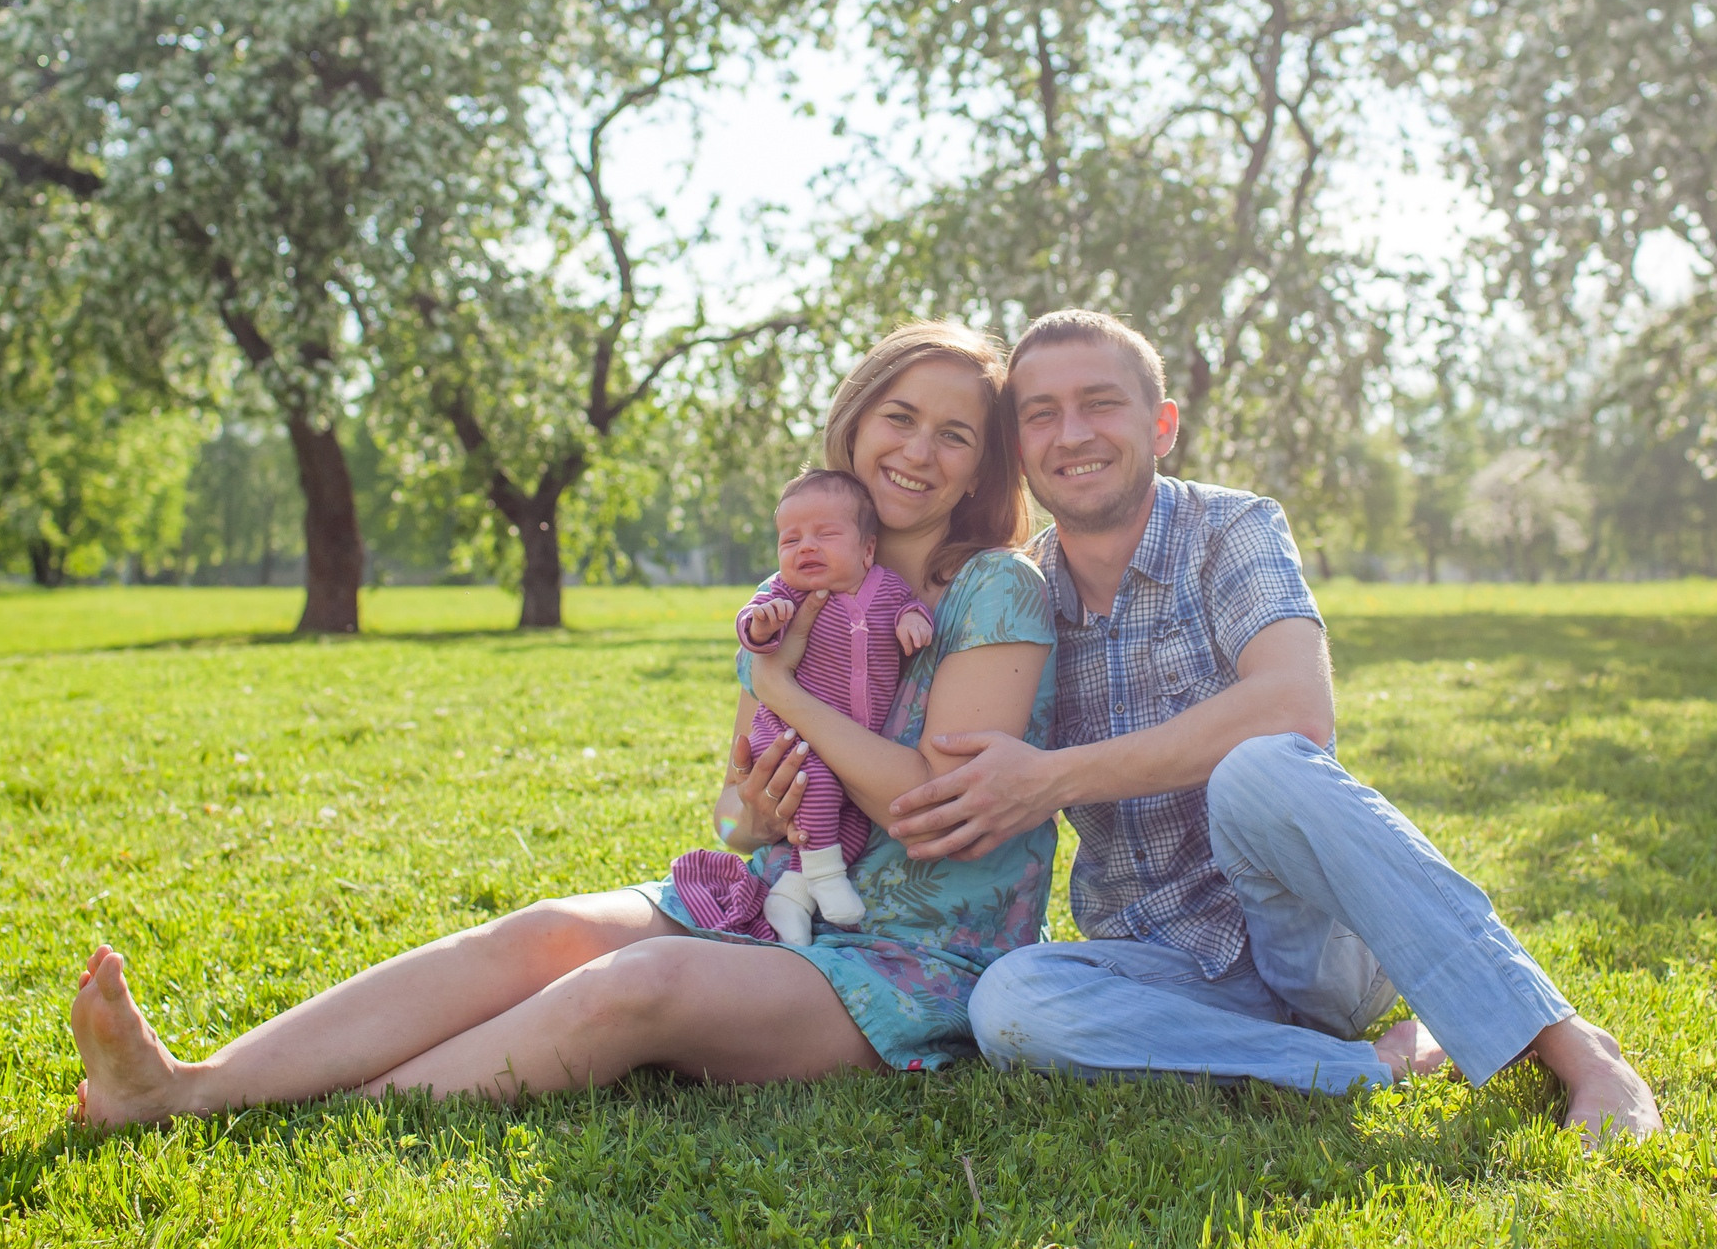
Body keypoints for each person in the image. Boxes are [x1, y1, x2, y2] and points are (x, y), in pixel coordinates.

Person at [65, 321, 1058, 1125]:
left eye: (954, 433)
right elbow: (728, 813)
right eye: (899, 417)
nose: (917, 450)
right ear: (853, 425)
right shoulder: (791, 587)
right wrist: (748, 822)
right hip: (768, 900)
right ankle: (188, 1083)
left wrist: (786, 690)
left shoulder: (993, 591)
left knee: (638, 986)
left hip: (914, 958)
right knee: (540, 935)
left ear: (981, 467)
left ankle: (308, 1114)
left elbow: (931, 808)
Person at [889, 309, 1663, 1143]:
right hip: (1168, 959)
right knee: (1008, 1000)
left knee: (1258, 765)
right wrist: (786, 739)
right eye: (1039, 412)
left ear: (1162, 425)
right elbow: (937, 761)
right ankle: (1369, 1067)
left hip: (1314, 940)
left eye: (1099, 403)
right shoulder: (1020, 593)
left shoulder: (1234, 528)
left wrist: (1055, 776)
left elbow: (1296, 705)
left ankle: (1576, 1048)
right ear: (1019, 442)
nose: (1070, 433)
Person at [676, 467, 933, 943]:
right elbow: (752, 622)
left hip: (851, 743)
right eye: (789, 540)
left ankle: (792, 893)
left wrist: (912, 621)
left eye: (825, 535)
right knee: (811, 783)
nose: (805, 547)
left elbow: (907, 607)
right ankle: (827, 878)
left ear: (868, 549)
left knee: (851, 821)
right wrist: (761, 626)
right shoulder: (788, 594)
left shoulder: (887, 587)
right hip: (790, 732)